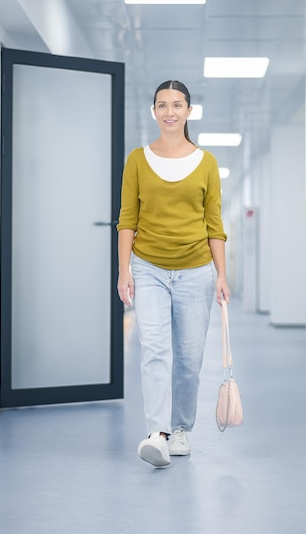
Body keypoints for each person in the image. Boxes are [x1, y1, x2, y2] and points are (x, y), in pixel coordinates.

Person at [117, 80, 230, 468]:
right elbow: (127, 220)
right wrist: (124, 270)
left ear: (188, 111)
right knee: (154, 348)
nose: (169, 111)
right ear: (154, 112)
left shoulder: (207, 162)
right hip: (148, 267)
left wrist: (221, 274)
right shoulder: (136, 159)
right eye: (162, 105)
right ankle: (158, 433)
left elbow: (214, 224)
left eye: (177, 104)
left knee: (189, 358)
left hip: (196, 270)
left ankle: (180, 429)